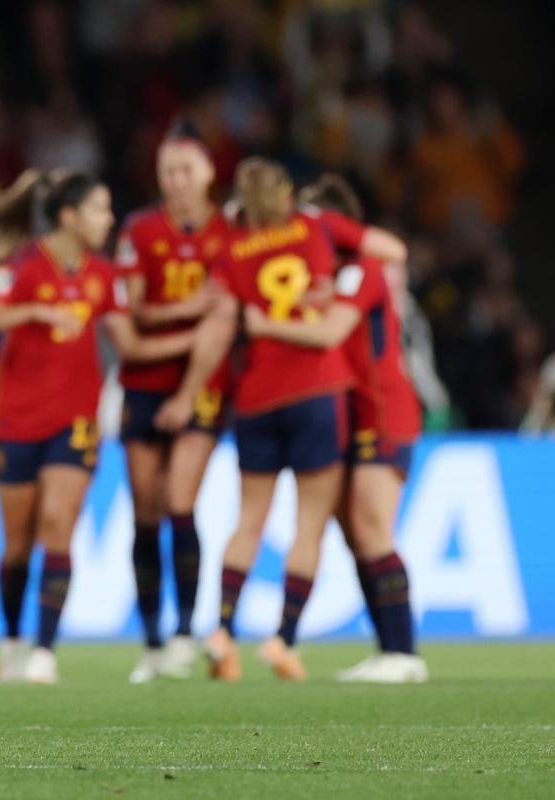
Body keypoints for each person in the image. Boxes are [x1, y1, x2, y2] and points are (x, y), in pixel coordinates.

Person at [0, 170, 196, 684]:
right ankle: (14, 639)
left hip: (75, 421)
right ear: (69, 216)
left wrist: (200, 338)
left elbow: (130, 345)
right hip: (14, 421)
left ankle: (45, 650)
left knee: (59, 526)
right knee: (17, 545)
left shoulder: (105, 276)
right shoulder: (23, 264)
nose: (107, 220)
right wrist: (38, 309)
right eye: (99, 209)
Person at [160, 158, 356, 681]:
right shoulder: (311, 229)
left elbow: (223, 328)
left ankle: (222, 630)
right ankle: (283, 640)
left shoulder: (230, 252)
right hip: (315, 388)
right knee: (310, 523)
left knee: (249, 520)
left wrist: (189, 392)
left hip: (257, 396)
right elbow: (328, 289)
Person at [244, 175, 427, 683]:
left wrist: (262, 325)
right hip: (347, 414)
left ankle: (404, 652)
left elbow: (328, 332)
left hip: (383, 411)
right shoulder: (320, 279)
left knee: (372, 529)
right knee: (354, 535)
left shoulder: (360, 272)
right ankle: (390, 648)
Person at [113, 121, 232, 683]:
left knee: (180, 500)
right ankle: (154, 640)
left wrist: (181, 317)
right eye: (168, 173)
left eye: (186, 170)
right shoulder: (139, 230)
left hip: (203, 387)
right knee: (145, 511)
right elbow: (136, 313)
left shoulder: (231, 233)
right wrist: (194, 315)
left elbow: (230, 312)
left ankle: (185, 632)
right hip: (142, 381)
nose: (178, 181)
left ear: (209, 172)